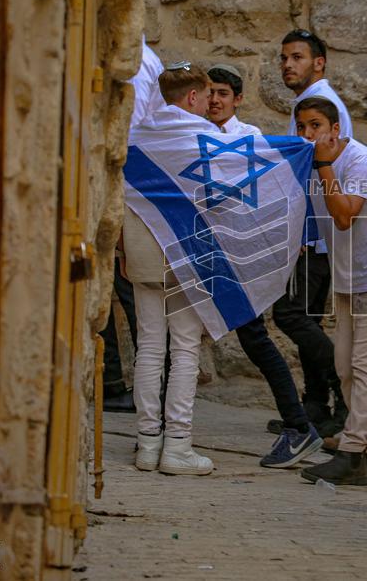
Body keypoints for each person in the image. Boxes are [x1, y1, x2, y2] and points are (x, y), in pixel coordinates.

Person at [203, 63, 324, 469]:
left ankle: (298, 424)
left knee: (255, 338)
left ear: (238, 99)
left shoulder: (252, 139)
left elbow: (278, 190)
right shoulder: (192, 135)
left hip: (240, 254)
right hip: (206, 250)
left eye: (222, 93)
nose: (215, 100)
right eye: (210, 93)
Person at [294, 96, 367, 486]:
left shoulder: (358, 160)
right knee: (344, 366)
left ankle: (351, 452)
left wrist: (324, 166)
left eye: (316, 126)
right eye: (302, 127)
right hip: (348, 278)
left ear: (335, 129)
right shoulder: (313, 165)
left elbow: (344, 216)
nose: (308, 135)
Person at [123, 62, 216, 476]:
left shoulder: (136, 137)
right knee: (185, 349)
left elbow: (124, 199)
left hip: (142, 252)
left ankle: (146, 444)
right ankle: (177, 446)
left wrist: (124, 251)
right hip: (188, 252)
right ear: (193, 96)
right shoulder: (207, 137)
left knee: (149, 346)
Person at [267, 29, 350, 439]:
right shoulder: (307, 106)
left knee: (290, 314)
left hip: (313, 235)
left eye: (297, 57)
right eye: (284, 58)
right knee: (309, 317)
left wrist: (301, 231)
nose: (287, 65)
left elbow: (325, 169)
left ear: (319, 62)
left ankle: (344, 389)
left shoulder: (322, 106)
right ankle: (317, 405)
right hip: (313, 233)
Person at [105, 37, 165, 413]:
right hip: (130, 189)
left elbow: (131, 136)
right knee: (115, 284)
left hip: (133, 190)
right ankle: (115, 380)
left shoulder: (139, 64)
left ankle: (150, 392)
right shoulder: (140, 60)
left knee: (131, 290)